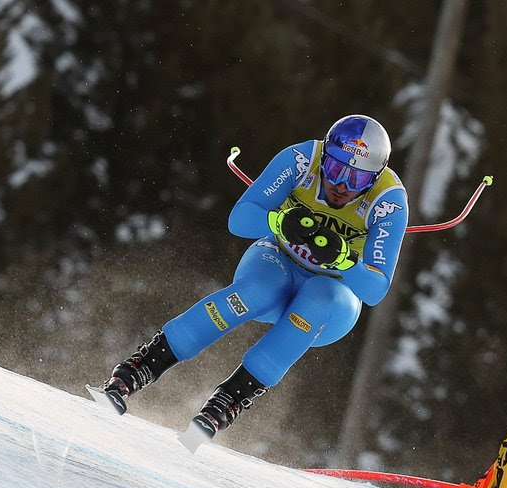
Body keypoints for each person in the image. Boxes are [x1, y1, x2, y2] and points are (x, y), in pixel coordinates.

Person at [94, 114, 409, 444]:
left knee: (320, 297)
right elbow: (241, 219)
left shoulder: (388, 202)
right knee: (259, 289)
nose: (341, 185)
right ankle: (136, 370)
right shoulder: (301, 160)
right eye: (334, 170)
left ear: (374, 179)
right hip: (276, 262)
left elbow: (374, 289)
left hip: (335, 297)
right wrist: (279, 221)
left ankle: (223, 406)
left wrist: (345, 260)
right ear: (324, 158)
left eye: (356, 179)